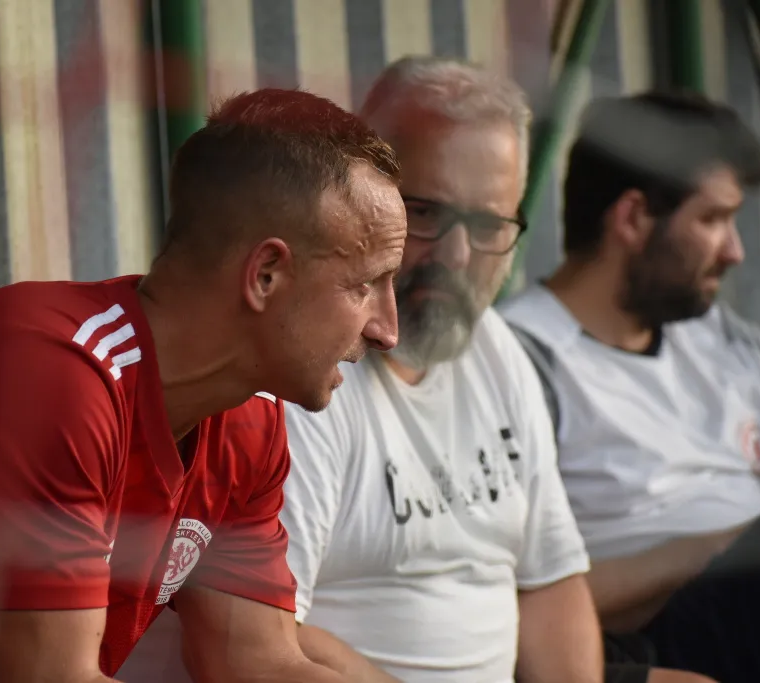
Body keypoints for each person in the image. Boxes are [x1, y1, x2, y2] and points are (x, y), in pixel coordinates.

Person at [0, 88, 408, 683]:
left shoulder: (248, 421)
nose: (388, 328)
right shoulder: (48, 374)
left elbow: (258, 662)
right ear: (265, 274)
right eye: (364, 284)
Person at [116, 59, 707, 683]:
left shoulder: (496, 348)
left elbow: (551, 583)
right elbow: (261, 646)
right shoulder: (294, 372)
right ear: (359, 196)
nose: (456, 255)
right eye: (424, 212)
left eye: (488, 225)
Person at [500, 90, 760, 682]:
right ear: (632, 218)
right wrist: (719, 546)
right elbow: (508, 601)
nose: (736, 252)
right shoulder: (522, 359)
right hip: (661, 631)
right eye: (713, 220)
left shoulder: (724, 338)